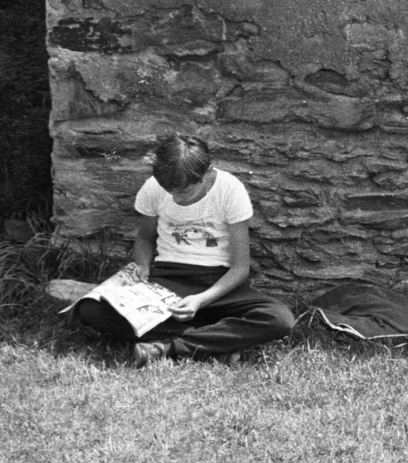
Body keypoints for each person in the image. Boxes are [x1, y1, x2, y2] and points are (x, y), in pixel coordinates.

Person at [73, 134, 295, 365]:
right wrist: (141, 264)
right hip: (168, 278)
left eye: (184, 192)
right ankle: (217, 343)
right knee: (91, 309)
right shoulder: (154, 188)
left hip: (218, 283)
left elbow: (240, 268)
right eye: (169, 191)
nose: (175, 197)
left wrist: (200, 300)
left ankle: (169, 347)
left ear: (207, 172)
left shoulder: (230, 190)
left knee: (279, 319)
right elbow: (145, 238)